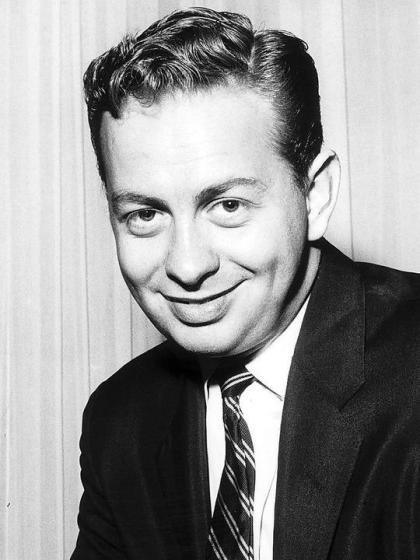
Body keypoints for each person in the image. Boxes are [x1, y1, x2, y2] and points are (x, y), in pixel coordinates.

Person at [71, 7, 420, 560]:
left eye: (228, 205)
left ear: (316, 195)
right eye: (145, 214)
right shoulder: (121, 422)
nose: (187, 266)